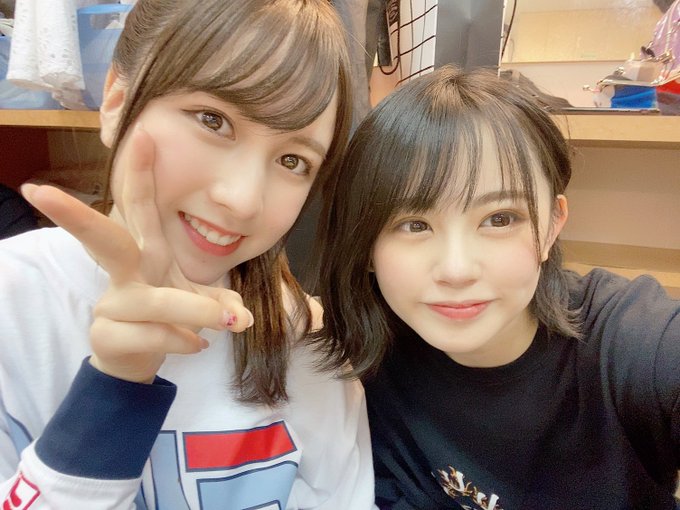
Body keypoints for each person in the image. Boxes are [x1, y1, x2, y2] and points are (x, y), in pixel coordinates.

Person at [0, 1, 376, 508]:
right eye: (212, 120)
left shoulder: (304, 342)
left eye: (293, 160)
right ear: (116, 100)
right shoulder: (13, 304)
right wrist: (115, 386)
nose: (242, 199)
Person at [313, 65, 680, 509]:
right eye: (414, 224)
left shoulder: (628, 344)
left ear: (552, 225)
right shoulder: (363, 358)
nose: (456, 270)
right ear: (366, 243)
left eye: (499, 219)